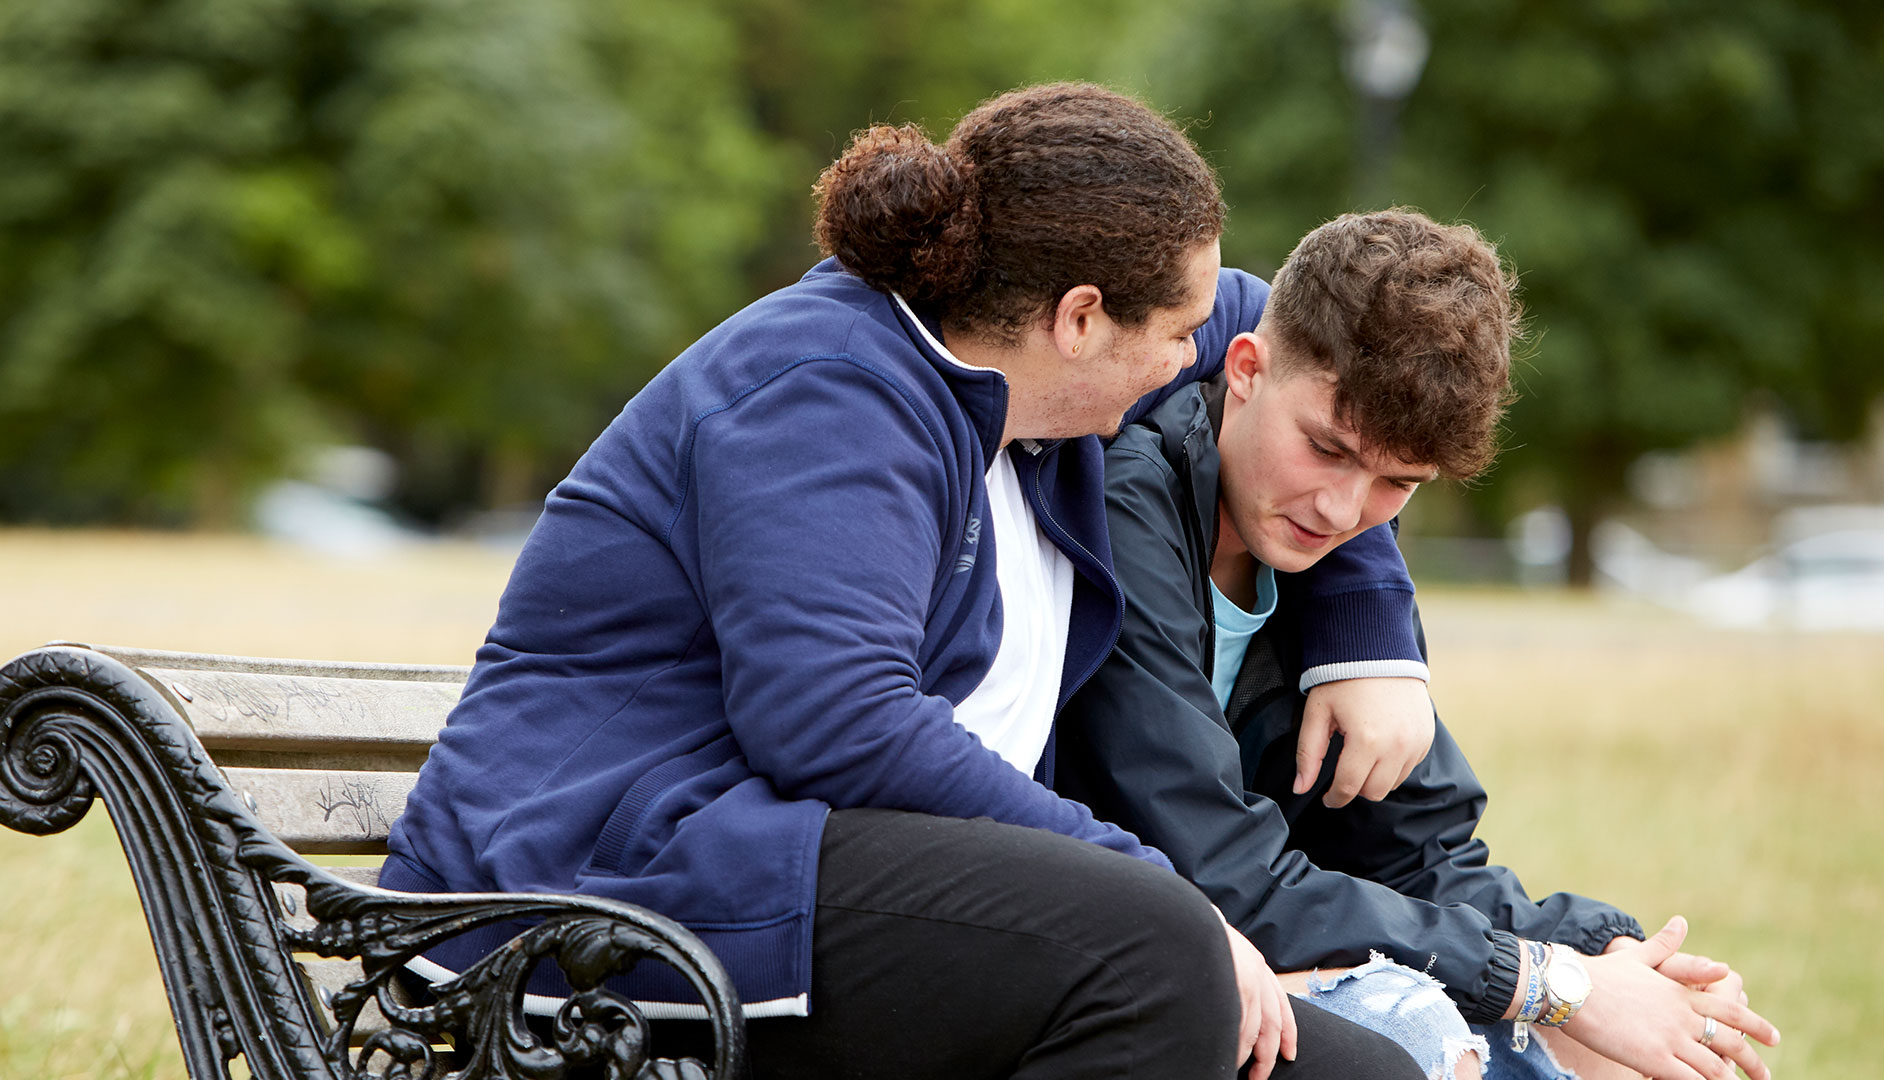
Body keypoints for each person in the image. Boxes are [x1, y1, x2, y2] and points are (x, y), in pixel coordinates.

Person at [381, 84, 1429, 1080]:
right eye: (1171, 338)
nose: (1191, 357)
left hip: (800, 884)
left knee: (1356, 1068)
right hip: (609, 891)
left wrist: (1366, 625)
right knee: (1154, 951)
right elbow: (834, 720)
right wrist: (1152, 885)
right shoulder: (829, 391)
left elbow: (1303, 361)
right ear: (1078, 320)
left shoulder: (1036, 386)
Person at [1057, 210, 1783, 1080]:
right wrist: (1555, 982)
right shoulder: (1130, 504)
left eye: (1397, 482)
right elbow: (1224, 875)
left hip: (1270, 945)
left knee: (1624, 1056)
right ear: (1245, 370)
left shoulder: (1331, 570)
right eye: (1325, 448)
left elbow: (1420, 853)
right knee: (1436, 1041)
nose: (1341, 510)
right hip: (1122, 960)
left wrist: (1611, 955)